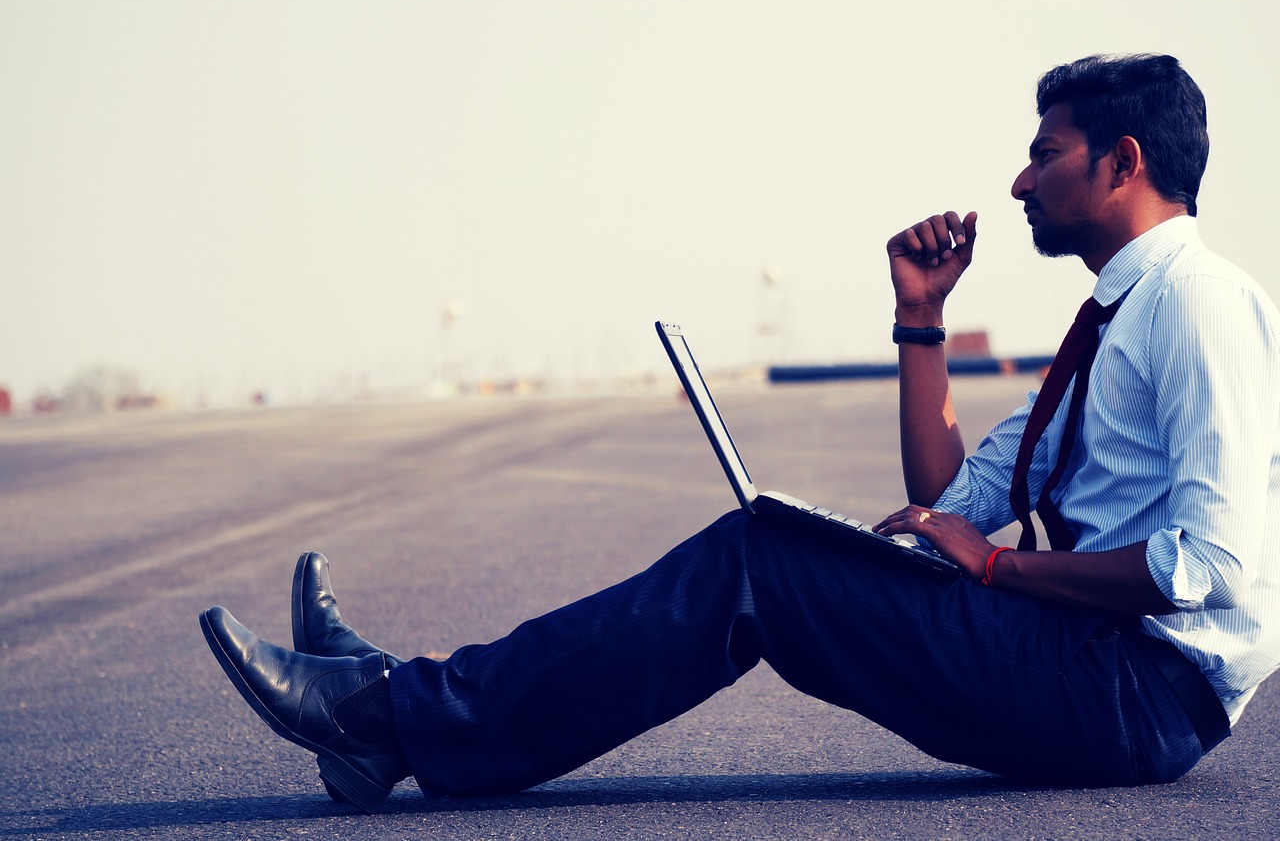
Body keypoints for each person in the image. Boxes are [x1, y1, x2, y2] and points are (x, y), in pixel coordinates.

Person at [200, 53, 1280, 813]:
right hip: (1087, 667)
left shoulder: (1193, 300)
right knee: (772, 547)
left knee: (761, 560)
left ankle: (386, 713)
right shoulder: (1117, 314)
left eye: (1042, 152)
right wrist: (919, 315)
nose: (1015, 178)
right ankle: (392, 706)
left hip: (1134, 695)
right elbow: (951, 498)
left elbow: (1209, 565)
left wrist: (993, 565)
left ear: (1120, 162)